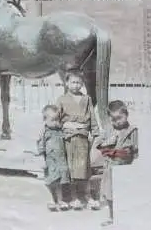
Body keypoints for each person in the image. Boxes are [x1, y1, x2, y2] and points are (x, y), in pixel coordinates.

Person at [56, 71, 101, 210]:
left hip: (83, 138)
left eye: (78, 83)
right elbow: (56, 119)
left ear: (82, 84)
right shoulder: (61, 99)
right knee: (71, 169)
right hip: (69, 138)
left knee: (84, 169)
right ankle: (74, 197)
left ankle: (88, 196)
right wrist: (65, 126)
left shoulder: (87, 99)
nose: (76, 85)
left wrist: (94, 133)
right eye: (73, 82)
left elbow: (92, 118)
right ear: (67, 83)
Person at [95, 100, 139, 226]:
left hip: (126, 167)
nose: (117, 122)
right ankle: (112, 216)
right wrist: (108, 142)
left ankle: (127, 217)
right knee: (110, 194)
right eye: (113, 119)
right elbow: (99, 147)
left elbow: (135, 151)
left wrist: (118, 152)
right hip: (110, 168)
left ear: (126, 114)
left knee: (126, 194)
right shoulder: (109, 130)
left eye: (119, 118)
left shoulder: (132, 130)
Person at [36, 104, 71, 212]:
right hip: (50, 160)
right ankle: (51, 200)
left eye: (57, 120)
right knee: (51, 181)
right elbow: (41, 145)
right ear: (45, 120)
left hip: (60, 160)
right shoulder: (44, 132)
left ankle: (60, 200)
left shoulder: (59, 130)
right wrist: (42, 159)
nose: (56, 122)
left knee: (60, 181)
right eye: (53, 120)